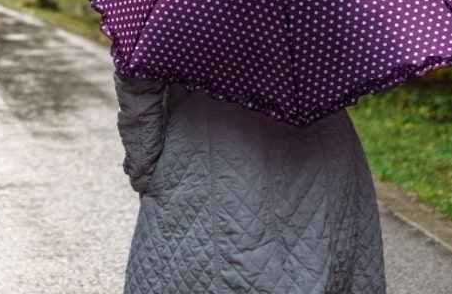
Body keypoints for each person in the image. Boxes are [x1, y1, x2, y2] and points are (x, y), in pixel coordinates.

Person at [114, 73, 386, 294]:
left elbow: (138, 90)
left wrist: (145, 168)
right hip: (323, 145)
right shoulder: (322, 7)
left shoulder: (175, 11)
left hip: (208, 149)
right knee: (318, 263)